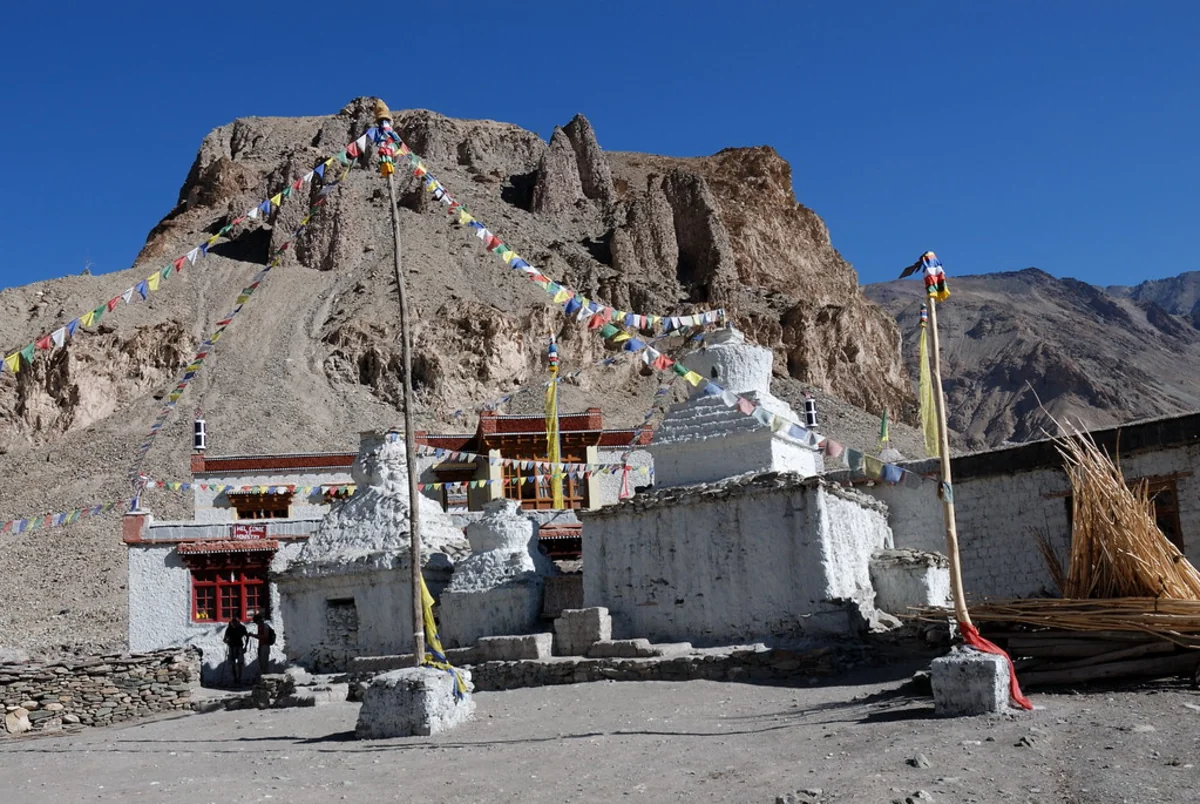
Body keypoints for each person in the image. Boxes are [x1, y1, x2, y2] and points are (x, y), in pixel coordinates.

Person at [223, 616, 249, 686]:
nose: (234, 624)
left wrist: (246, 646)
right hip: (232, 647)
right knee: (233, 663)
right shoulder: (230, 628)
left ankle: (239, 679)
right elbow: (225, 639)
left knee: (240, 663)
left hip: (239, 646)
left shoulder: (241, 627)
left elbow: (247, 636)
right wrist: (227, 640)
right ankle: (235, 679)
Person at [251, 612, 275, 678]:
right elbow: (260, 636)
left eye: (256, 622)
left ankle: (266, 676)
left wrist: (254, 635)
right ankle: (264, 675)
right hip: (261, 645)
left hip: (265, 645)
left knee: (264, 662)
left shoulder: (265, 626)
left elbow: (265, 636)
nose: (256, 623)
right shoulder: (260, 626)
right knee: (261, 662)